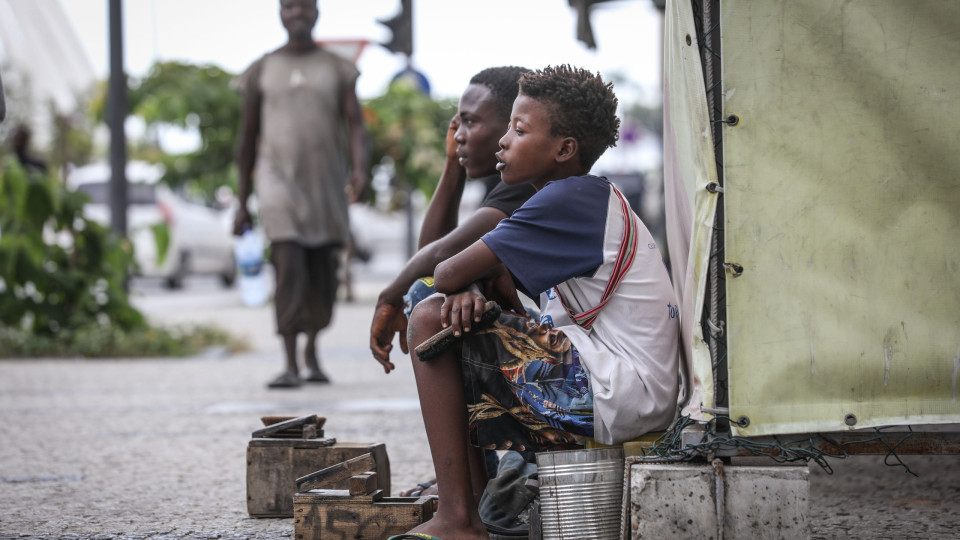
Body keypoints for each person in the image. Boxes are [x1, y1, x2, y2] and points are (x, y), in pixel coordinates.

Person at [393, 65, 680, 540]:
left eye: (519, 130)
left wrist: (465, 283)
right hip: (620, 389)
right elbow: (476, 277)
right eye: (507, 127)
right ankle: (475, 506)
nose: (504, 141)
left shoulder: (568, 200)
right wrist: (476, 285)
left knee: (429, 315)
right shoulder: (575, 199)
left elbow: (443, 271)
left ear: (564, 150)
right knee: (449, 310)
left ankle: (458, 518)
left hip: (622, 394)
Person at [234, 0, 367, 389]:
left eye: (305, 6)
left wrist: (360, 169)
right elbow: (246, 139)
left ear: (317, 12)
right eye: (290, 6)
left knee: (322, 273)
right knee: (288, 263)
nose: (298, 13)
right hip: (276, 183)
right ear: (280, 13)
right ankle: (290, 362)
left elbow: (356, 124)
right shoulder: (261, 70)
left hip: (324, 185)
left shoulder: (336, 67)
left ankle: (312, 349)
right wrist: (242, 201)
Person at [369, 66, 534, 372]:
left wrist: (387, 299)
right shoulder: (507, 184)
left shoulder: (528, 186)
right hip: (577, 340)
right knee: (444, 291)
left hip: (592, 356)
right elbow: (435, 258)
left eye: (470, 122)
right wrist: (452, 164)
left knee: (430, 299)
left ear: (511, 126)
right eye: (457, 124)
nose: (458, 135)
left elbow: (440, 255)